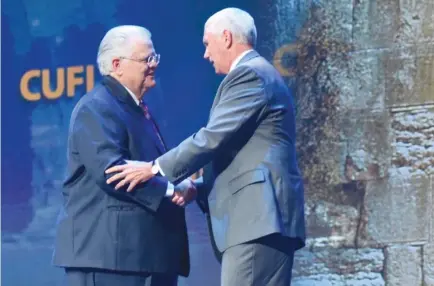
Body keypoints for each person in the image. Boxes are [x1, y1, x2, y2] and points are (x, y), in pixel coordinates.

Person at [106, 8, 306, 286]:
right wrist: (197, 189)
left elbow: (212, 138)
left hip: (257, 221)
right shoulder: (257, 74)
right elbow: (241, 154)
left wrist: (154, 168)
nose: (205, 54)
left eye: (207, 43)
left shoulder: (249, 74)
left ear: (226, 38)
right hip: (260, 222)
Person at [52, 25, 196, 286]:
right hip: (109, 259)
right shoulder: (96, 108)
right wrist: (170, 189)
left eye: (155, 58)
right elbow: (113, 173)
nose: (154, 65)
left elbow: (145, 168)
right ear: (117, 64)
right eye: (146, 59)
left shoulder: (135, 108)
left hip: (140, 257)